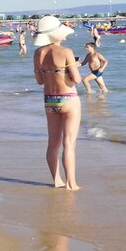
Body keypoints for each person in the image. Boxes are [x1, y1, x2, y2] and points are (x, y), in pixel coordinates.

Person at [32, 15, 83, 189]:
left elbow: (40, 80)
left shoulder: (38, 53)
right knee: (69, 143)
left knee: (53, 142)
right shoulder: (66, 52)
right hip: (68, 98)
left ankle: (56, 180)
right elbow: (76, 80)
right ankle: (71, 183)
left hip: (49, 100)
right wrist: (73, 68)